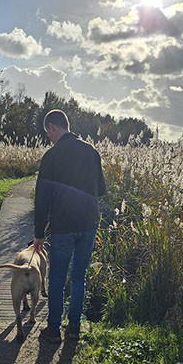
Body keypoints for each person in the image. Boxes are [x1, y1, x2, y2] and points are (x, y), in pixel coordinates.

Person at [34, 109, 106, 343]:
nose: (49, 137)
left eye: (48, 133)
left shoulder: (51, 156)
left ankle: (53, 329)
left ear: (52, 127)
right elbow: (101, 190)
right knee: (78, 276)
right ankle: (74, 327)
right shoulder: (91, 151)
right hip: (88, 223)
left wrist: (38, 234)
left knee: (57, 277)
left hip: (63, 225)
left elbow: (42, 198)